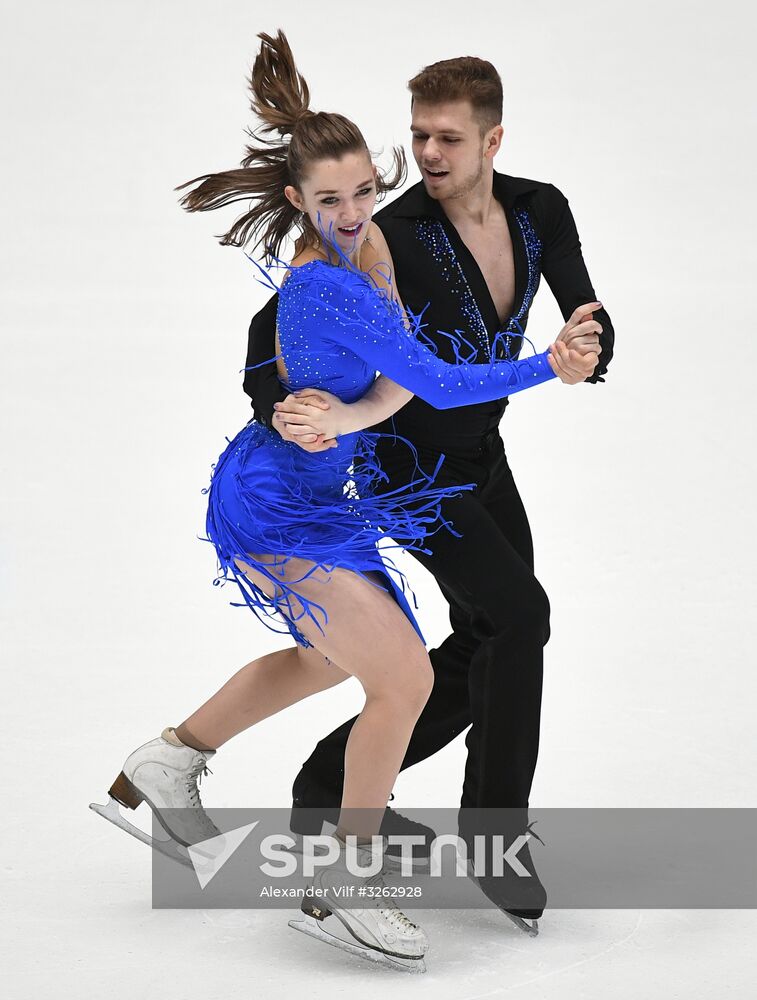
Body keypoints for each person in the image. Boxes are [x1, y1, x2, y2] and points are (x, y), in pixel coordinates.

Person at [89, 31, 600, 972]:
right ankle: (340, 883)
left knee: (327, 661)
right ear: (298, 203)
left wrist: (357, 405)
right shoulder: (334, 281)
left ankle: (171, 758)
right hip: (278, 497)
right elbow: (438, 382)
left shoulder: (374, 250)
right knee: (404, 676)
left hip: (330, 499)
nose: (358, 210)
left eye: (367, 187)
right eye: (332, 199)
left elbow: (398, 383)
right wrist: (546, 368)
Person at [244, 53, 615, 934]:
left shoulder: (538, 210)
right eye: (418, 135)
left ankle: (332, 787)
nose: (430, 152)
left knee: (500, 627)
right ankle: (493, 830)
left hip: (483, 454)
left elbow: (583, 307)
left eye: (448, 137)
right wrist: (284, 405)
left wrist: (592, 344)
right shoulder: (388, 230)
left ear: (493, 138)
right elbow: (277, 327)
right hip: (407, 469)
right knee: (516, 615)